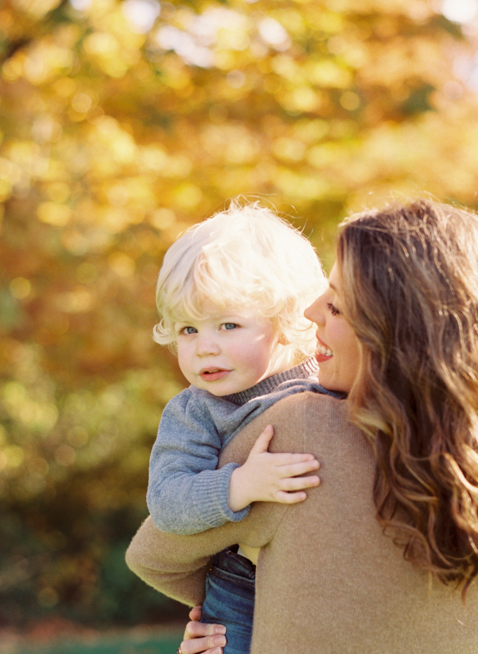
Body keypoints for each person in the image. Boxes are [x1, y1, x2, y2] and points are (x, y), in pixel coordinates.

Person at [126, 199, 478, 654]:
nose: (311, 312)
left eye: (335, 305)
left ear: (393, 331)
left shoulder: (306, 429)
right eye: (189, 329)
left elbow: (154, 555)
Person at [144, 202, 338, 654]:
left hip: (325, 570)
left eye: (228, 324)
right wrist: (241, 485)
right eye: (188, 329)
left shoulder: (329, 380)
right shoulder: (196, 411)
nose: (204, 348)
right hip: (241, 586)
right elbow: (167, 502)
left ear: (288, 323)